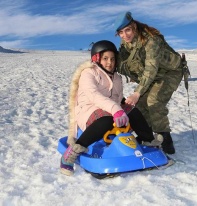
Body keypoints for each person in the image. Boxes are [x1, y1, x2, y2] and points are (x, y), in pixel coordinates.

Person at [60, 40, 155, 176]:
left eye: (112, 59)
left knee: (132, 111)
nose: (109, 62)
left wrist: (123, 106)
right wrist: (116, 109)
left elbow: (116, 98)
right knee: (106, 119)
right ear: (96, 59)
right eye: (105, 58)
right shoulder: (88, 73)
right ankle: (71, 153)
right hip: (88, 110)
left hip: (110, 109)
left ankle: (148, 141)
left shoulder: (117, 78)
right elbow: (94, 96)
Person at [114, 11, 186, 154]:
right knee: (139, 106)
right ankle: (146, 137)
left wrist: (137, 92)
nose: (125, 35)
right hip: (152, 75)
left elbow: (150, 69)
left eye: (127, 30)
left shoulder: (151, 40)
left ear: (134, 26)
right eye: (121, 32)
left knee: (154, 101)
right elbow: (120, 62)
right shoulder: (126, 43)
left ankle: (166, 140)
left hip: (170, 72)